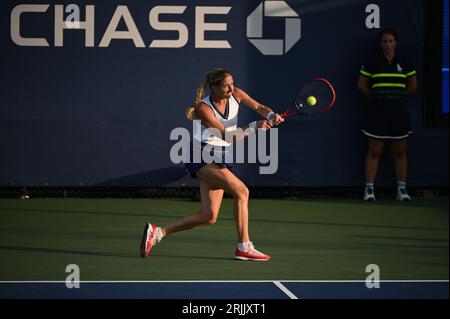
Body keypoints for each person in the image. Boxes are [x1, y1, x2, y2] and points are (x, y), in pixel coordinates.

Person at [140, 68, 284, 261]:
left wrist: (271, 115)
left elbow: (259, 107)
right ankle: (244, 246)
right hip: (202, 155)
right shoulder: (203, 109)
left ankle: (158, 233)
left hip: (219, 154)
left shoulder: (237, 94)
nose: (231, 88)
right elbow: (225, 135)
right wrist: (254, 127)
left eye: (233, 83)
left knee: (209, 215)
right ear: (214, 87)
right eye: (226, 85)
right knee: (242, 192)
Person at [357, 28, 417, 201]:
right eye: (384, 41)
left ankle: (402, 190)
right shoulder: (371, 63)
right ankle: (369, 190)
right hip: (377, 112)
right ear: (380, 43)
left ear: (395, 43)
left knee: (400, 151)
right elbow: (361, 86)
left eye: (391, 41)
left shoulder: (405, 62)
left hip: (398, 112)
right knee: (374, 150)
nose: (388, 44)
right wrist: (377, 98)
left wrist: (397, 96)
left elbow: (413, 86)